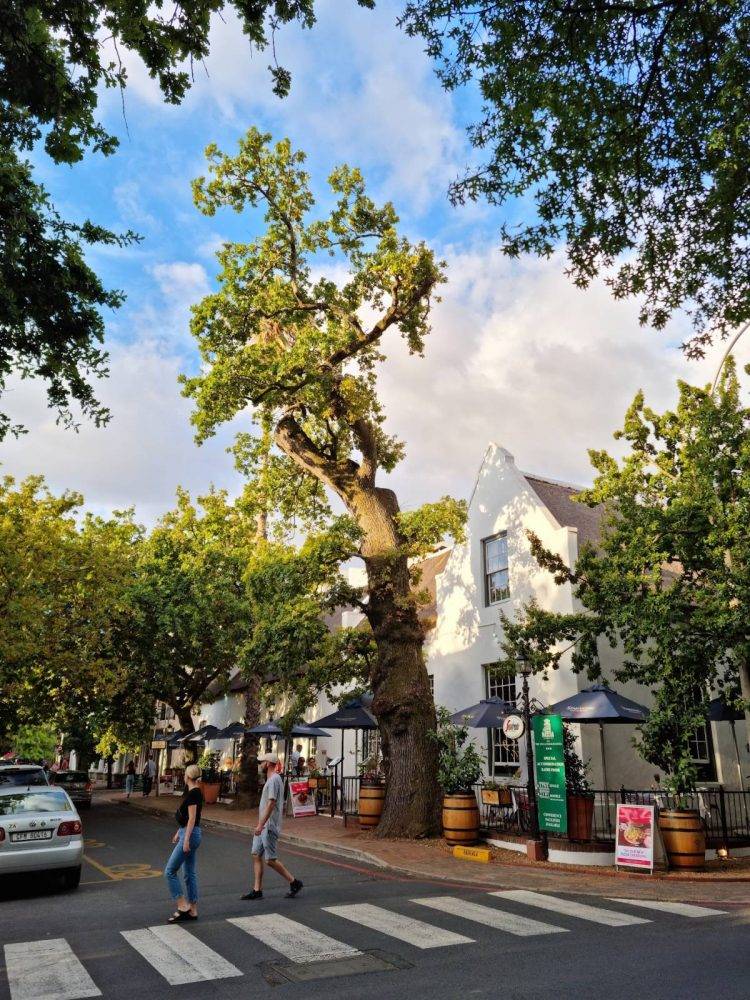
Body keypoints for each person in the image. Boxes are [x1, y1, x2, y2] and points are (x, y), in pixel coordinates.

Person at [241, 753, 302, 901]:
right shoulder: (271, 779)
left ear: (268, 763)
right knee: (256, 854)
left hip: (269, 825)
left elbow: (271, 802)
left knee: (270, 860)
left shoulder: (274, 779)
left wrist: (261, 824)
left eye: (262, 762)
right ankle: (257, 890)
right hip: (263, 825)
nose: (260, 764)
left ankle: (294, 882)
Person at [165, 763, 203, 922]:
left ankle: (183, 905)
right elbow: (187, 818)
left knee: (170, 871)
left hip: (191, 834)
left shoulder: (194, 793)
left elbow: (193, 818)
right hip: (188, 832)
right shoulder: (194, 792)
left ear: (187, 776)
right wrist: (179, 833)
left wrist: (185, 839)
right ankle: (193, 909)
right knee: (189, 873)